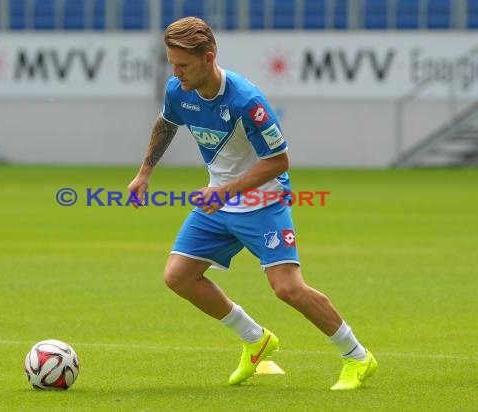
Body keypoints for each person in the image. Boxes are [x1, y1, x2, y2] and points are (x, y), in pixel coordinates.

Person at [127, 16, 377, 390]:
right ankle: (256, 339)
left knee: (287, 288)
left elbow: (279, 161)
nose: (175, 72)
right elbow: (166, 123)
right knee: (178, 276)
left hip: (262, 201)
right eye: (172, 63)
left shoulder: (246, 101)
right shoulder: (180, 89)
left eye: (183, 64)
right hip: (219, 203)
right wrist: (145, 171)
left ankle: (357, 357)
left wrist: (226, 192)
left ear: (208, 57)